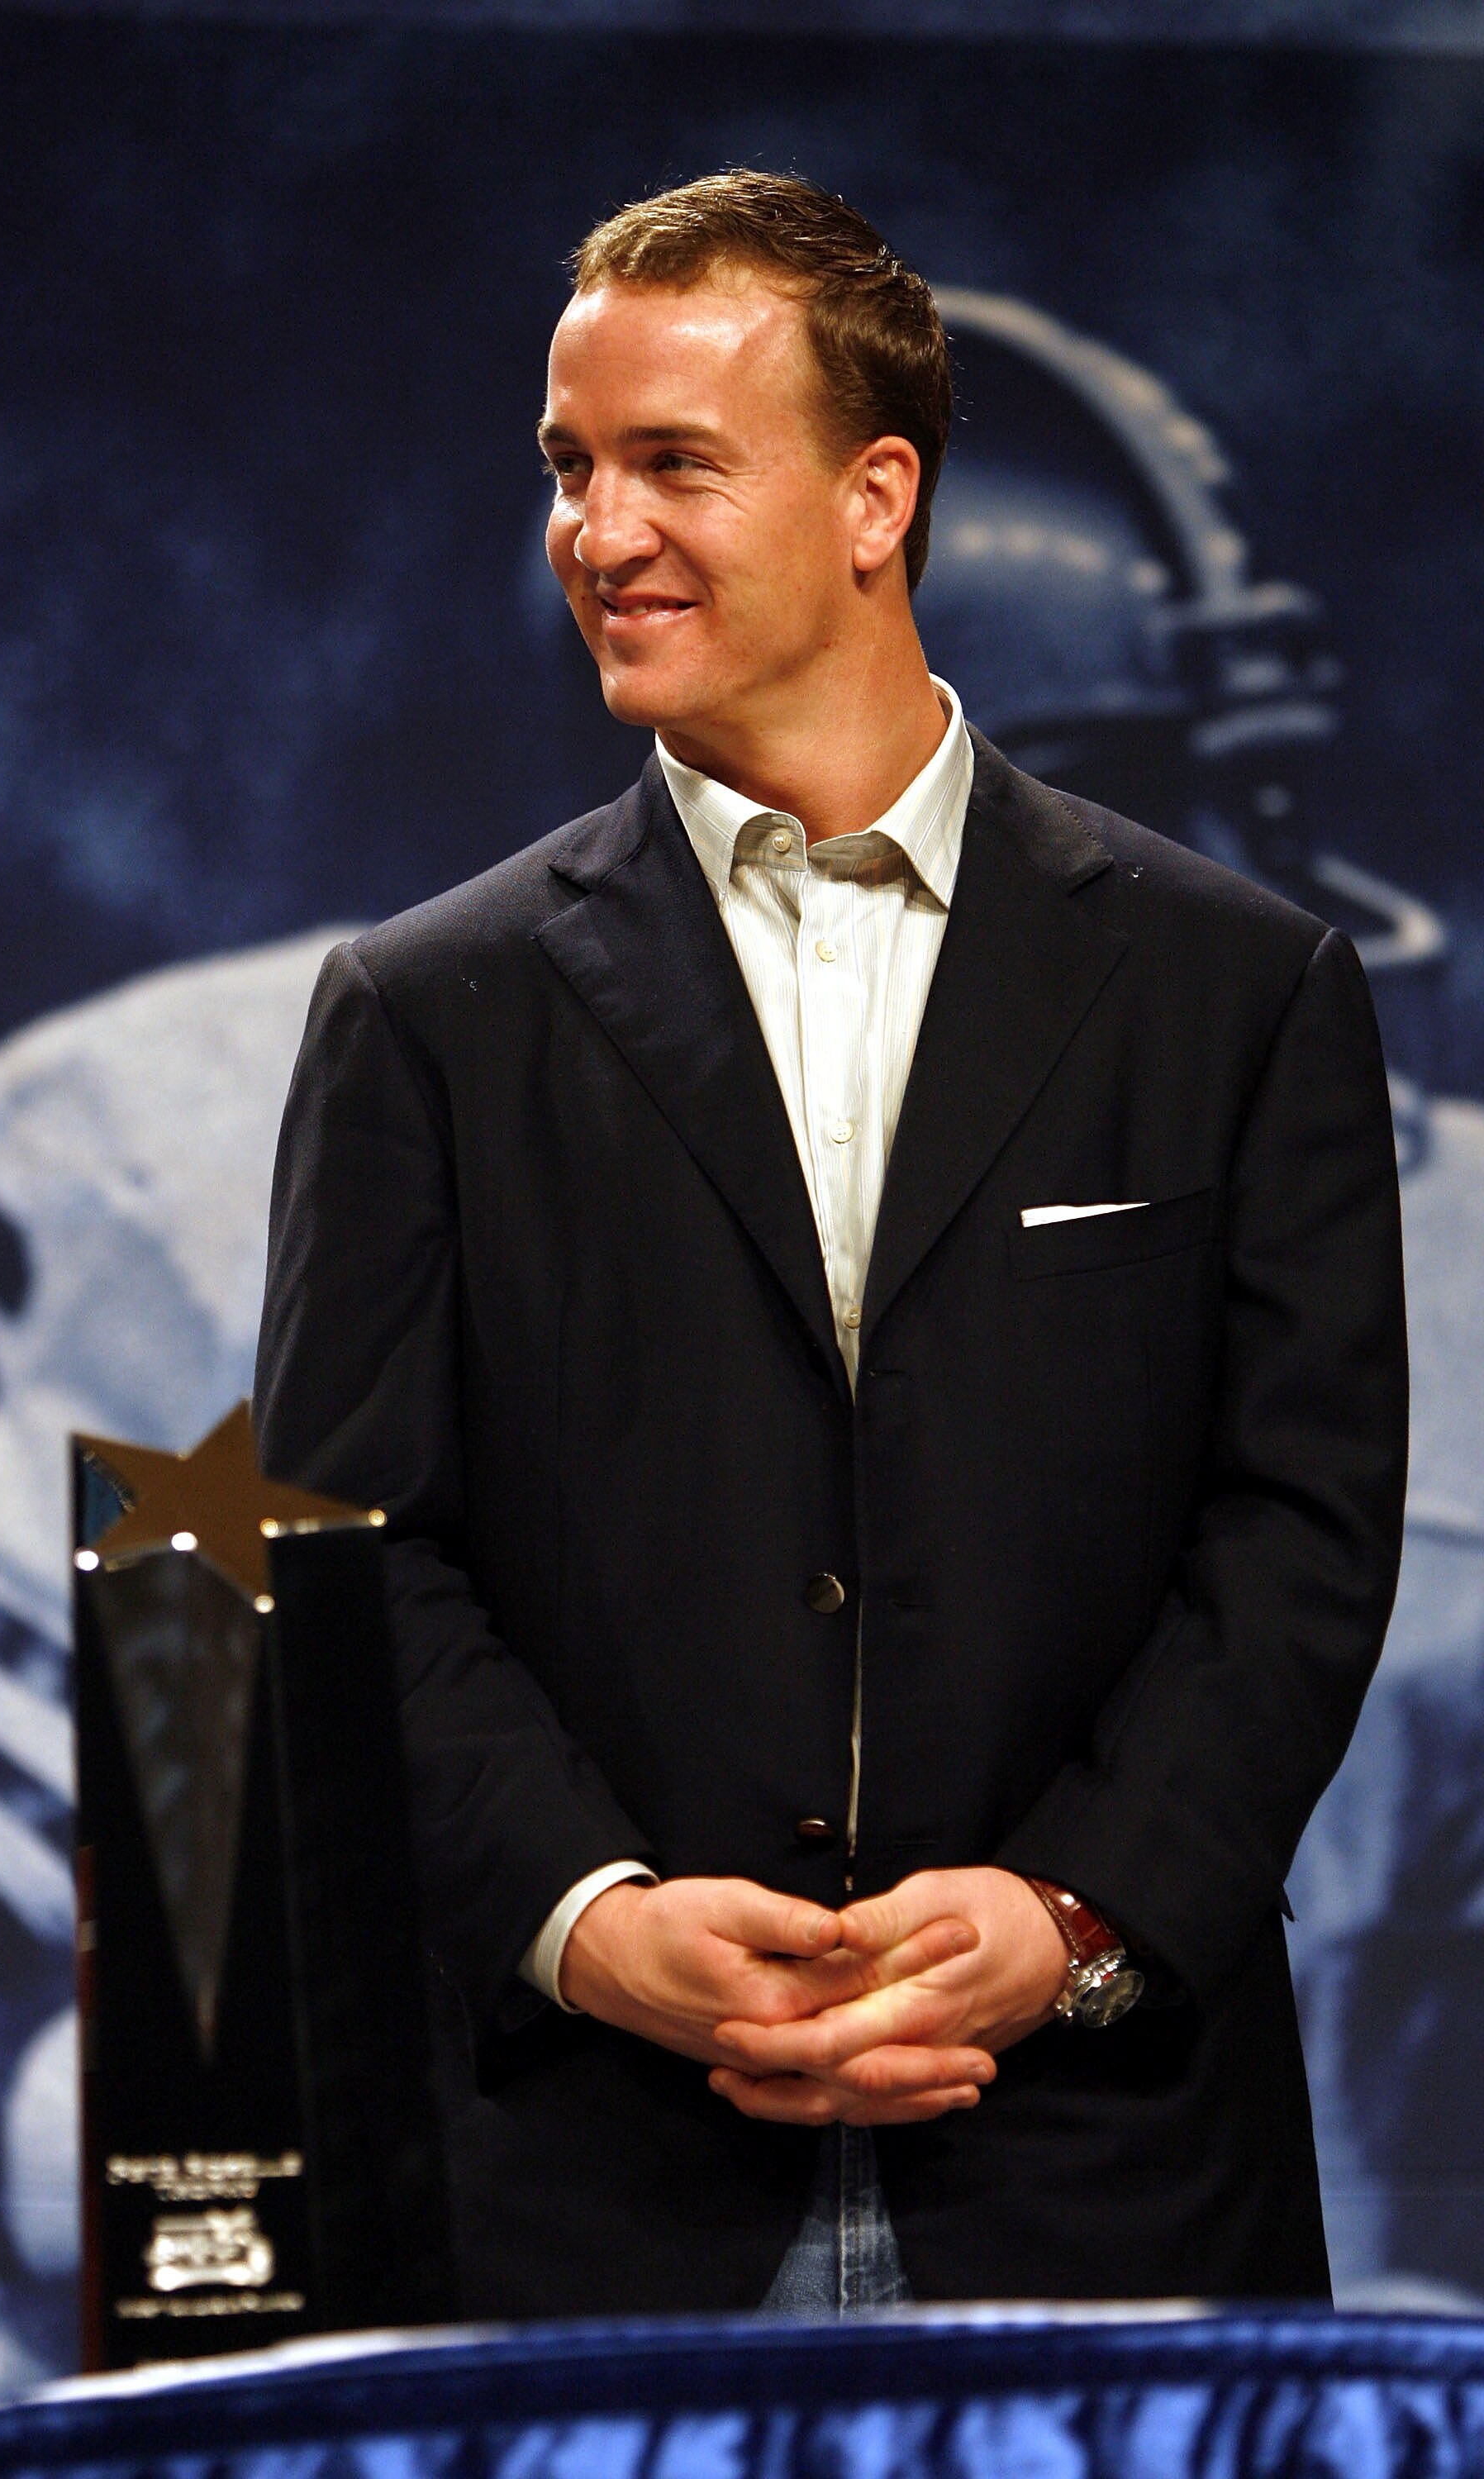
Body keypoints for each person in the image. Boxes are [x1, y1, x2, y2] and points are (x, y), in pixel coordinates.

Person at [254, 171, 1407, 2314]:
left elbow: (1303, 1529)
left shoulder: (1240, 991)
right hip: (583, 2212)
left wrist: (1076, 1911)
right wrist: (592, 1919)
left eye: (674, 463)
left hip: (1104, 2195)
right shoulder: (422, 1012)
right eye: (569, 470)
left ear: (879, 501)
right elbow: (341, 1555)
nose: (601, 534)